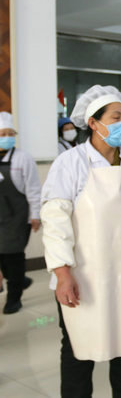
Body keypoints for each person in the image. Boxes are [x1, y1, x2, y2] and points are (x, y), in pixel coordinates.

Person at [40, 85, 121, 397]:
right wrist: (62, 273)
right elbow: (55, 221)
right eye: (116, 117)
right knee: (79, 353)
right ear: (94, 123)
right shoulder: (71, 162)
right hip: (84, 280)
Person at [0, 111, 40, 314]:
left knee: (13, 257)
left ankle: (13, 299)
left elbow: (33, 188)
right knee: (2, 257)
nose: (7, 137)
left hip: (17, 217)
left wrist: (35, 215)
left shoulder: (23, 158)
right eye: (2, 134)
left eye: (10, 133)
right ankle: (20, 280)